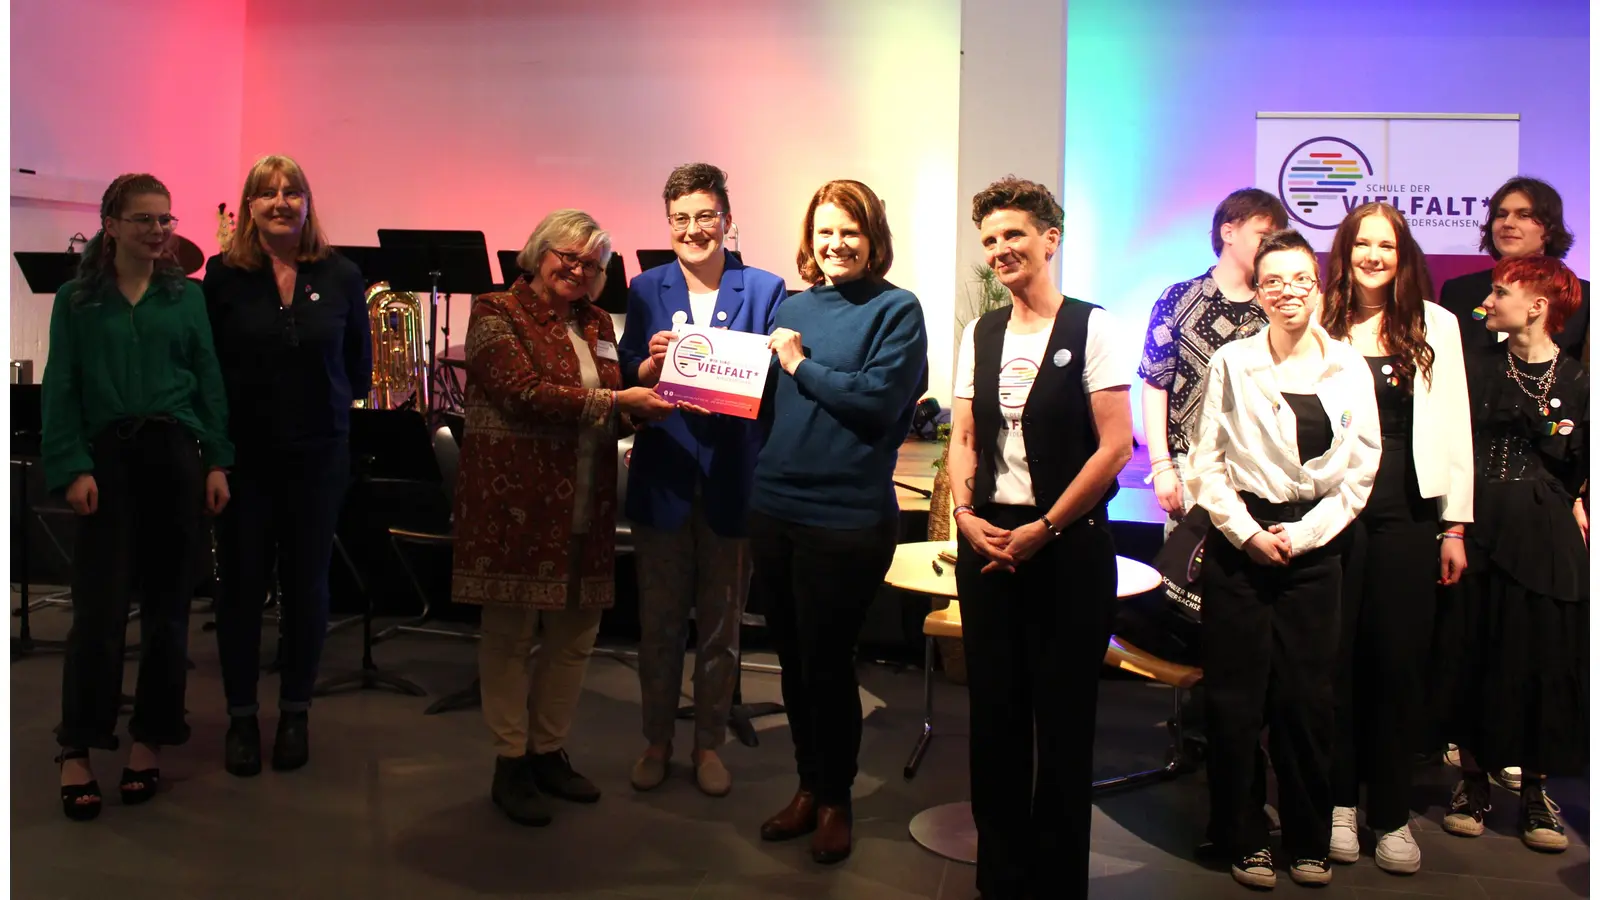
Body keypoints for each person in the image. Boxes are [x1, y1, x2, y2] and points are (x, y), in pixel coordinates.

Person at [452, 210, 676, 826]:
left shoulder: (599, 321)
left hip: (587, 499)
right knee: (510, 638)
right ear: (539, 251)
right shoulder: (496, 311)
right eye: (567, 256)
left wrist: (644, 393)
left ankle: (548, 751)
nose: (577, 270)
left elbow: (606, 403)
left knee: (575, 638)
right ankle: (509, 761)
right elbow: (519, 391)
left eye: (592, 264)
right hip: (517, 503)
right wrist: (617, 400)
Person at [945, 177, 1132, 900]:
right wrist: (964, 515)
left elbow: (1115, 447)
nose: (1001, 250)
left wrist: (1047, 526)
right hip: (988, 545)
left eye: (1014, 235)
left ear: (1050, 239)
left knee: (1062, 725)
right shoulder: (979, 333)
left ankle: (1056, 882)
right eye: (990, 240)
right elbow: (964, 436)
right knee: (993, 719)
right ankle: (1001, 875)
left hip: (1068, 550)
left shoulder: (1094, 328)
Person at [1186, 228, 1381, 890]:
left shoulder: (1349, 365)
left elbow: (1360, 472)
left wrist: (1298, 538)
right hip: (1240, 545)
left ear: (1317, 287)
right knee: (1235, 702)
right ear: (1259, 292)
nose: (1288, 292)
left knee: (1307, 701)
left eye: (1301, 279)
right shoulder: (1233, 362)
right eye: (1274, 281)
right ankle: (1241, 835)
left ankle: (1309, 838)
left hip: (1315, 548)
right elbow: (1205, 462)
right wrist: (1245, 533)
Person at [42, 174, 233, 820]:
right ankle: (78, 746)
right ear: (112, 224)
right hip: (106, 461)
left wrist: (216, 461)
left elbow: (209, 381)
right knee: (96, 614)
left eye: (166, 220)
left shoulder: (187, 299)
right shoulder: (75, 300)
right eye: (145, 220)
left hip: (173, 458)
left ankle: (148, 739)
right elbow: (60, 389)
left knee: (167, 614)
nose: (158, 232)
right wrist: (71, 465)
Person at [749, 180, 927, 864]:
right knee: (792, 664)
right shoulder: (791, 306)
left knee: (828, 665)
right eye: (825, 231)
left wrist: (797, 361)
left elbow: (880, 401)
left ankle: (835, 800)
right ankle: (805, 785)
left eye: (849, 230)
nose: (836, 244)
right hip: (775, 508)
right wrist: (688, 370)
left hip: (846, 519)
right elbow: (764, 402)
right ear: (810, 237)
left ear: (872, 236)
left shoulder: (896, 310)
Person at [618, 163, 788, 797]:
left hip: (732, 478)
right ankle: (656, 740)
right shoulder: (645, 287)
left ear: (728, 220)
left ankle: (709, 743)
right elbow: (630, 371)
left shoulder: (765, 289)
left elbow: (773, 381)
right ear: (669, 225)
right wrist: (650, 360)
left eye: (705, 216)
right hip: (663, 474)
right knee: (658, 624)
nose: (693, 229)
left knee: (721, 627)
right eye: (681, 219)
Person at [204, 155, 372, 777]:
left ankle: (296, 712)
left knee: (308, 589)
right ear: (248, 206)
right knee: (241, 590)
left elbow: (358, 365)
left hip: (318, 456)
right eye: (266, 193)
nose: (280, 201)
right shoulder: (221, 278)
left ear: (307, 202)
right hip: (243, 459)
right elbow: (208, 372)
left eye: (291, 191)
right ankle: (243, 717)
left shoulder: (343, 273)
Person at [1318, 203, 1473, 875]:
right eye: (1362, 243)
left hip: (1409, 517)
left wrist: (1456, 524)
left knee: (1397, 666)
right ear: (1345, 250)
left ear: (1404, 254)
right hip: (1331, 515)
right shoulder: (1322, 319)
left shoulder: (1435, 323)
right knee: (1335, 664)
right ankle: (1336, 806)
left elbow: (1458, 423)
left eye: (1386, 244)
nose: (1374, 255)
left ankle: (1391, 814)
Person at [1436, 255, 1588, 854]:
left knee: (1543, 660)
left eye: (1501, 291)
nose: (1487, 300)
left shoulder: (1580, 381)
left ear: (1538, 306)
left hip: (1546, 535)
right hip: (1478, 527)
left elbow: (1580, 470)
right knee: (1471, 652)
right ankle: (1473, 783)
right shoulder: (1475, 371)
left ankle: (1535, 794)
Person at [1140, 188, 1287, 532]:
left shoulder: (1275, 307)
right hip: (1190, 465)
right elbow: (1154, 383)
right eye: (1263, 235)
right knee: (1188, 577)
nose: (1270, 245)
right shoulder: (1178, 298)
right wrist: (1161, 466)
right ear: (1228, 231)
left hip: (1259, 467)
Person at [1439, 177, 1589, 363]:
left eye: (1523, 215)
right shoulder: (1459, 291)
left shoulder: (1585, 297)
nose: (1508, 223)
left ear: (1549, 230)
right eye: (1501, 215)